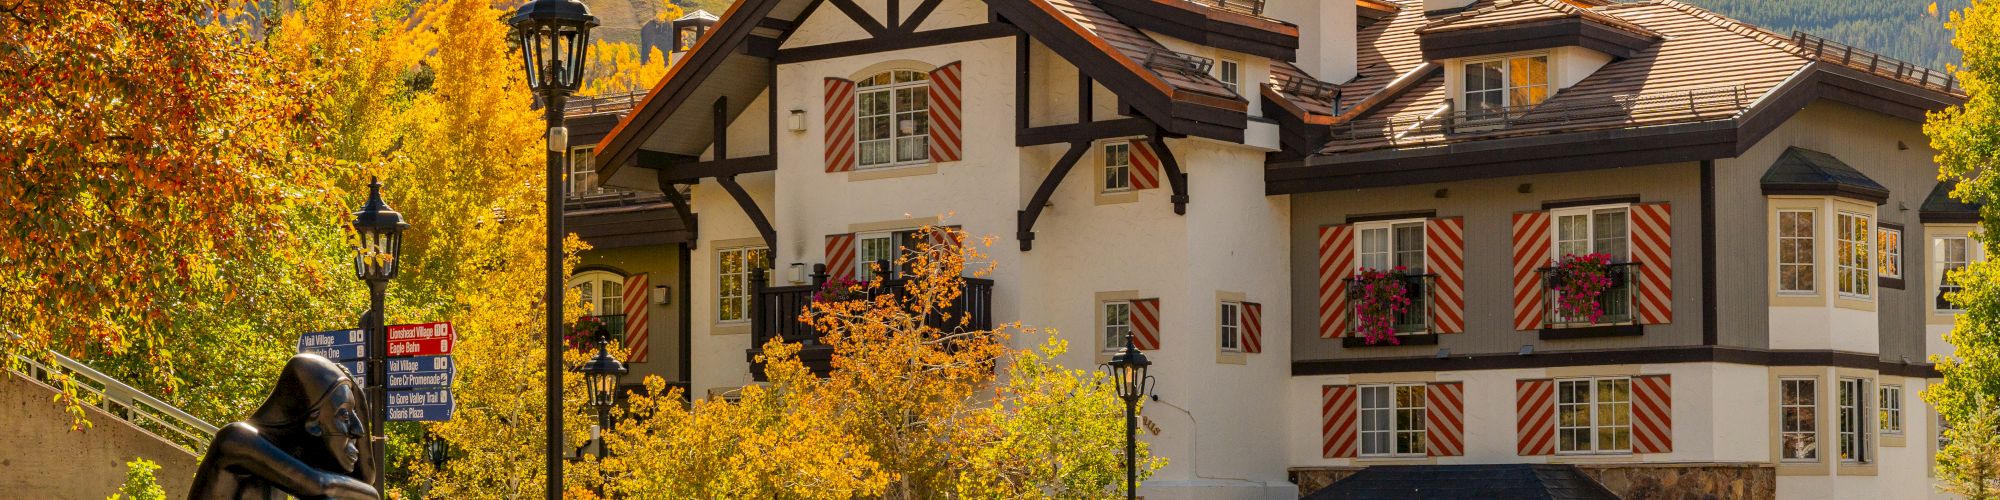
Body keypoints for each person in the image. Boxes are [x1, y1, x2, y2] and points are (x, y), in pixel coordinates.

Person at [188, 354, 379, 499]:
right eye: (345, 414)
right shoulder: (236, 440)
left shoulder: (288, 453)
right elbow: (321, 485)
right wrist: (373, 495)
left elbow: (362, 479)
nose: (358, 430)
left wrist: (357, 395)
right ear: (313, 422)